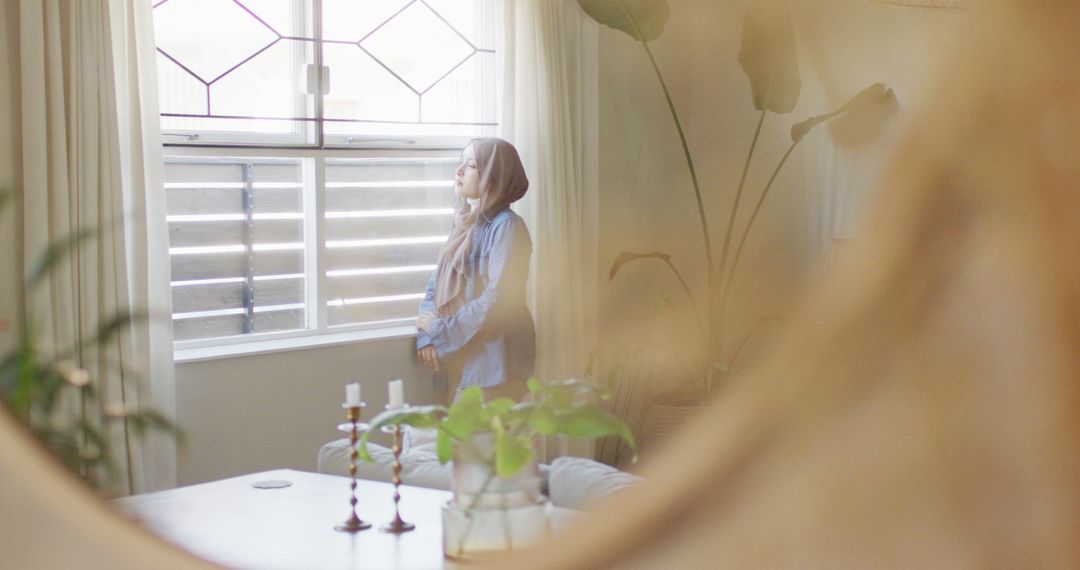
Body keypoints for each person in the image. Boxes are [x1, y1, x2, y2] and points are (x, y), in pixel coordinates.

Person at [415, 137, 536, 404]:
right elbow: (435, 286)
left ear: (494, 175)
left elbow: (499, 300)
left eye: (470, 165)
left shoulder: (508, 227)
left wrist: (439, 329)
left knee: (476, 445)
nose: (458, 171)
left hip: (494, 365)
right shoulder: (464, 225)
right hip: (458, 356)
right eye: (460, 163)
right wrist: (426, 335)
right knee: (459, 444)